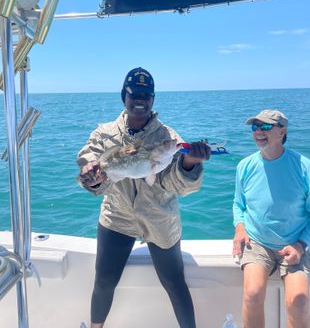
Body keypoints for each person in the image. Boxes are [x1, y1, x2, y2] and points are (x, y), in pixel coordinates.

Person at [77, 67, 211, 328]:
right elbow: (90, 158)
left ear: (153, 99)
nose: (140, 99)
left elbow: (177, 185)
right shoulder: (103, 133)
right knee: (103, 282)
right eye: (134, 93)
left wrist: (189, 163)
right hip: (117, 218)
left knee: (174, 282)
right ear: (123, 96)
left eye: (146, 94)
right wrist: (90, 173)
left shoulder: (169, 138)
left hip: (161, 219)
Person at [232, 109, 310, 328]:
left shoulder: (304, 167)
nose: (258, 131)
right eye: (255, 127)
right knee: (252, 293)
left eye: (266, 126)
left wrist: (301, 245)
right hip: (257, 242)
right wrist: (240, 228)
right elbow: (239, 204)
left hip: (296, 242)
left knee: (299, 300)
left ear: (282, 131)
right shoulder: (245, 166)